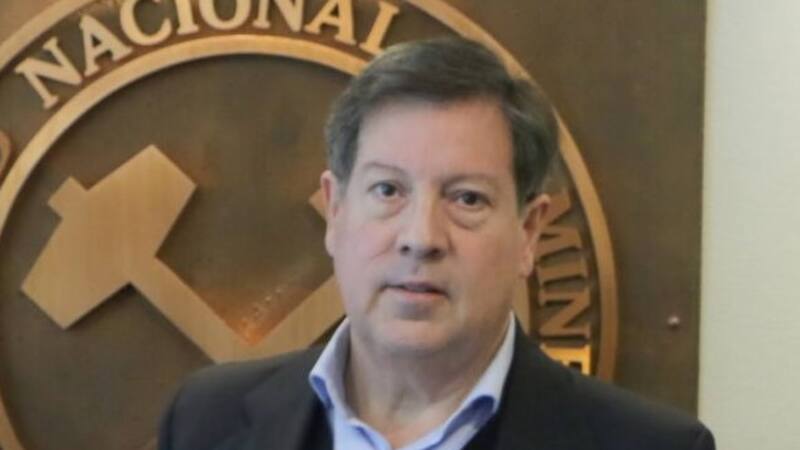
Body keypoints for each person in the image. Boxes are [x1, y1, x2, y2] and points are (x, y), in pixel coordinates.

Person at [158, 37, 715, 450]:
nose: (421, 238)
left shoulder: (651, 446)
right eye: (388, 190)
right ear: (336, 210)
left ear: (528, 232)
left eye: (467, 198)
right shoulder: (204, 421)